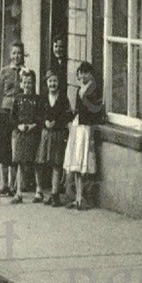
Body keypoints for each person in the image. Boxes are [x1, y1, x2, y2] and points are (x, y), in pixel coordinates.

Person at [63, 61, 105, 210]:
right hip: (78, 127)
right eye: (80, 73)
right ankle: (78, 196)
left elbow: (96, 109)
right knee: (76, 161)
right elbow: (77, 109)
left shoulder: (94, 90)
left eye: (85, 73)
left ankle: (84, 197)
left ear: (90, 74)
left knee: (84, 162)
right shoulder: (79, 90)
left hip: (87, 128)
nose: (82, 76)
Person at [0, 41, 25, 197]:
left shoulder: (26, 72)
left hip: (19, 115)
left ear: (22, 55)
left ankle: (13, 185)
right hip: (5, 113)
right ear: (10, 55)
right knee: (3, 149)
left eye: (19, 53)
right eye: (14, 53)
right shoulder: (4, 72)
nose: (16, 56)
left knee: (15, 150)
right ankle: (4, 184)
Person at [37, 69, 73, 206]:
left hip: (58, 134)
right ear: (46, 83)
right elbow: (38, 114)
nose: (53, 84)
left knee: (57, 163)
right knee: (45, 162)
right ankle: (46, 192)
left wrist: (57, 123)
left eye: (55, 81)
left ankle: (55, 194)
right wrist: (44, 121)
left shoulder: (63, 99)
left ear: (59, 83)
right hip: (46, 134)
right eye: (50, 81)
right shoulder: (43, 98)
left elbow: (68, 115)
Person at [10, 69, 42, 203]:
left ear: (34, 84)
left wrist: (33, 125)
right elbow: (13, 117)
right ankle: (18, 192)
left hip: (33, 133)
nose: (28, 85)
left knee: (36, 163)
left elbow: (41, 117)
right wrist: (19, 126)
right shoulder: (18, 99)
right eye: (25, 82)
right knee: (20, 163)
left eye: (30, 83)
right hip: (20, 133)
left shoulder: (38, 99)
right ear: (21, 84)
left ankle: (39, 190)